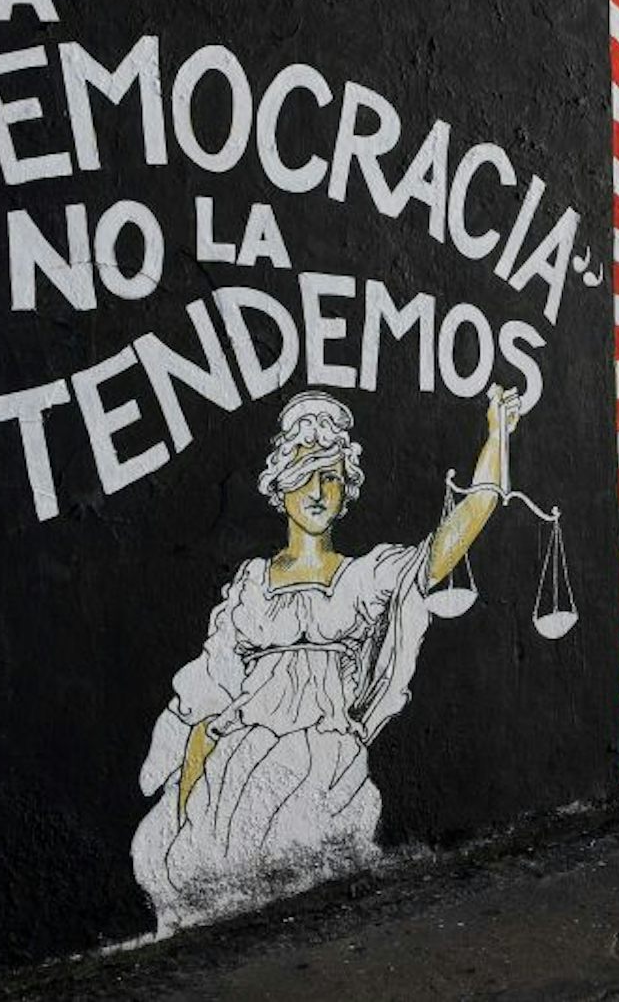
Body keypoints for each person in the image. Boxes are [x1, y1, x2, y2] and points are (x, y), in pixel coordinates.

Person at [131, 386, 521, 932]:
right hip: (238, 764)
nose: (318, 490)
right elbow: (208, 697)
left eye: (332, 476)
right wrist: (185, 799)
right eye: (307, 472)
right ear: (281, 482)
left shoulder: (362, 578)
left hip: (326, 766)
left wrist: (497, 436)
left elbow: (453, 536)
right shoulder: (250, 586)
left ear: (347, 489)